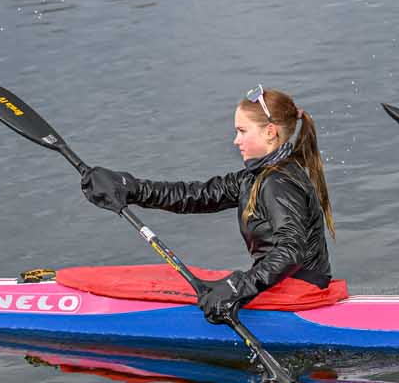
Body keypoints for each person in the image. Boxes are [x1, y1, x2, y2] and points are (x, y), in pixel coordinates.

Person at [80, 85, 336, 324]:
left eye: (242, 131)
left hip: (299, 290)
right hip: (280, 281)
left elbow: (291, 250)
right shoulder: (254, 177)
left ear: (270, 132)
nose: (236, 141)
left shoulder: (278, 183)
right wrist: (132, 188)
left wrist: (239, 287)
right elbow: (196, 195)